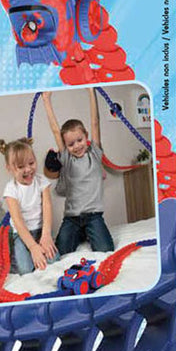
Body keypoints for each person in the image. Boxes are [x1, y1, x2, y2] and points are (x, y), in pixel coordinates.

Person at [42, 89, 115, 255]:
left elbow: (95, 122)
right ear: (66, 146)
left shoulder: (95, 154)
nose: (76, 146)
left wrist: (91, 91)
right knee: (61, 251)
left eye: (80, 140)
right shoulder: (67, 159)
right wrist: (46, 100)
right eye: (71, 144)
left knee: (106, 250)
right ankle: (81, 234)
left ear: (86, 136)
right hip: (72, 218)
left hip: (93, 216)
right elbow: (55, 130)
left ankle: (87, 232)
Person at [0, 137, 59, 274]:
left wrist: (46, 235)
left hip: (41, 231)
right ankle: (14, 256)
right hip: (22, 234)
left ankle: (41, 248)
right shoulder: (11, 190)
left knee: (53, 261)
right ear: (9, 169)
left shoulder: (41, 181)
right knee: (25, 269)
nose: (28, 169)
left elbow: (47, 208)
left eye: (31, 163)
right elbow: (18, 222)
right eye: (21, 167)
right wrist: (33, 247)